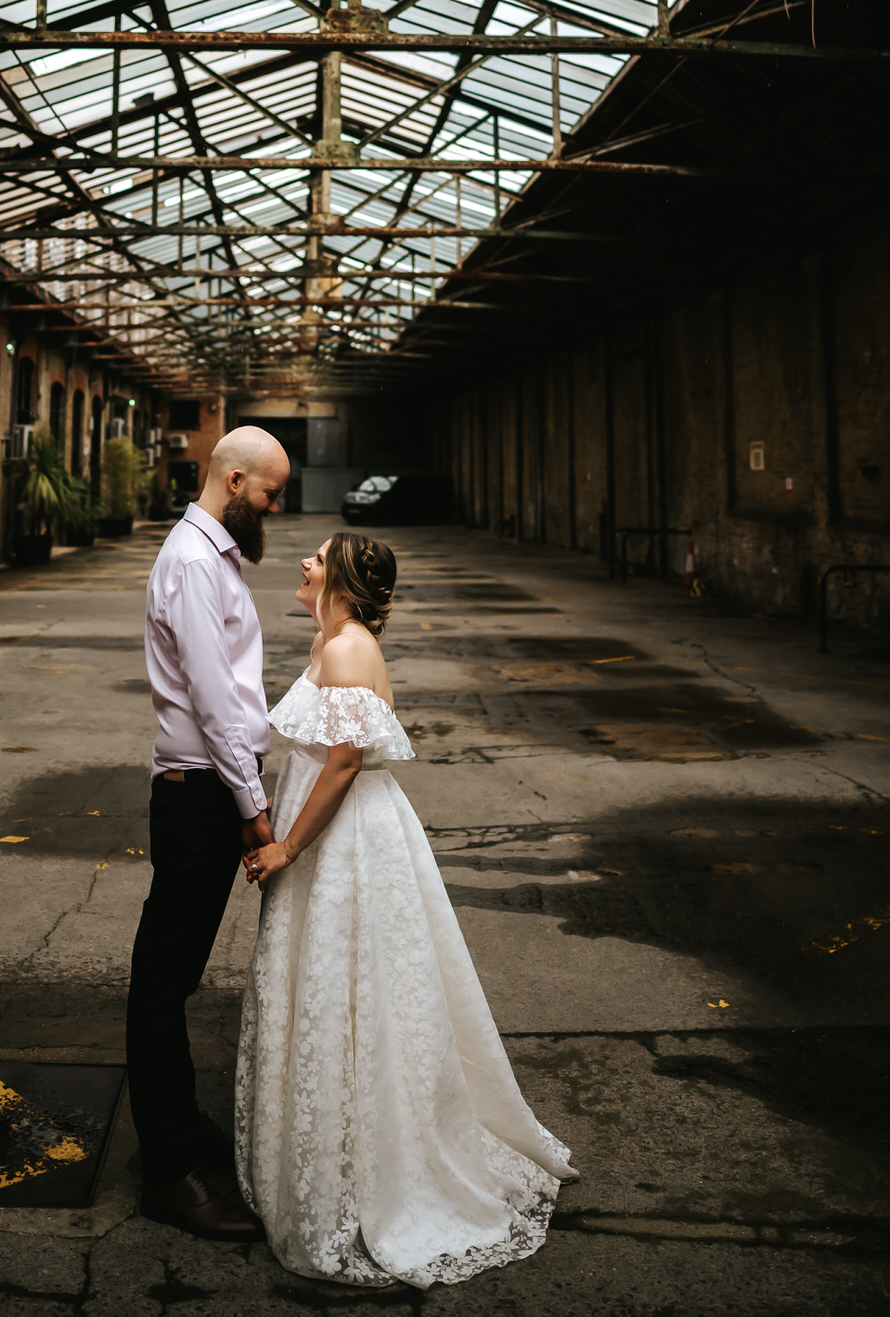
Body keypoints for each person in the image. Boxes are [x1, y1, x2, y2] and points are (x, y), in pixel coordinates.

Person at [235, 532, 577, 1286]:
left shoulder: (349, 648)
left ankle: (369, 1167)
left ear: (347, 582)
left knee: (355, 986)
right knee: (341, 984)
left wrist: (288, 846)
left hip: (345, 837)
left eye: (319, 559)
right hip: (333, 824)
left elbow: (346, 762)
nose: (304, 564)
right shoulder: (336, 639)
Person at [126, 425, 290, 1241]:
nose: (275, 504)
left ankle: (180, 1133)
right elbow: (217, 703)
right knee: (162, 982)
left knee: (173, 976)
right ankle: (167, 1173)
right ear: (233, 480)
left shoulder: (210, 553)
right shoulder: (193, 562)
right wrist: (254, 812)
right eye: (269, 490)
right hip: (200, 798)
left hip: (205, 793)